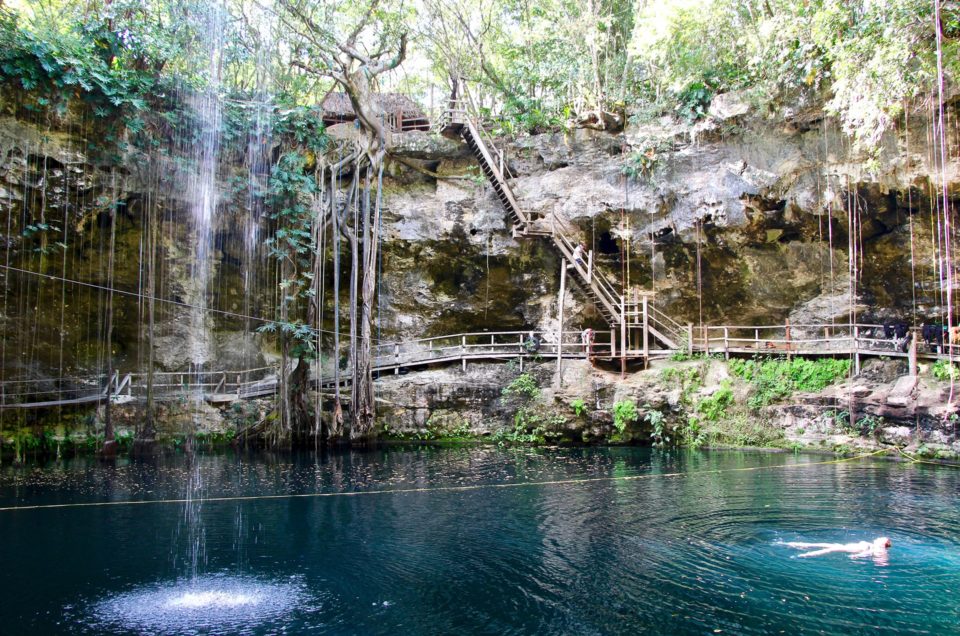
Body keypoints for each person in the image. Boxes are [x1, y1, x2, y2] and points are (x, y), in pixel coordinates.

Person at [784, 537, 891, 559]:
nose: (877, 538)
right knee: (821, 544)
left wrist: (856, 556)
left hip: (844, 549)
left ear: (881, 543)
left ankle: (803, 555)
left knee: (827, 549)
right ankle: (791, 543)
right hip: (842, 546)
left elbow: (867, 553)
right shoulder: (873, 545)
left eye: (879, 539)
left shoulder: (876, 549)